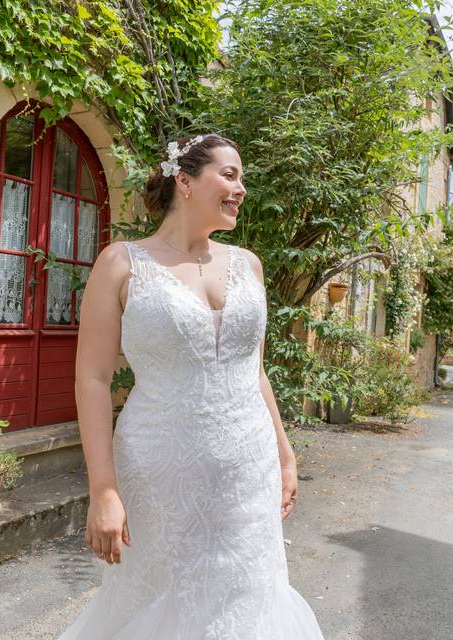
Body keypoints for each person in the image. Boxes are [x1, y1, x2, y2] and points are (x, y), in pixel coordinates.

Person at [59, 134, 324, 639]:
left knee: (248, 604)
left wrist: (285, 454)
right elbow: (91, 379)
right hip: (159, 478)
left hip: (249, 473)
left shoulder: (248, 265)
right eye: (229, 174)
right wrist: (104, 490)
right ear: (184, 181)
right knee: (160, 605)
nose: (241, 188)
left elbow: (254, 369)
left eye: (241, 177)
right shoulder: (122, 263)